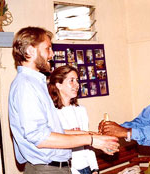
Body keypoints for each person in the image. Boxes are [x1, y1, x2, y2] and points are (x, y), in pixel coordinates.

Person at [8, 26, 119, 174]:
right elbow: (41, 138)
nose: (52, 54)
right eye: (48, 48)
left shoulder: (35, 83)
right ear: (30, 51)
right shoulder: (26, 86)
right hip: (46, 169)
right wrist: (91, 141)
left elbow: (53, 131)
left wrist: (92, 136)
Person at [48, 65, 99, 174]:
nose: (77, 85)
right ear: (59, 85)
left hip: (87, 168)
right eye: (71, 81)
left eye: (77, 80)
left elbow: (87, 142)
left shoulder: (81, 110)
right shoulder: (52, 113)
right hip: (68, 169)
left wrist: (94, 168)